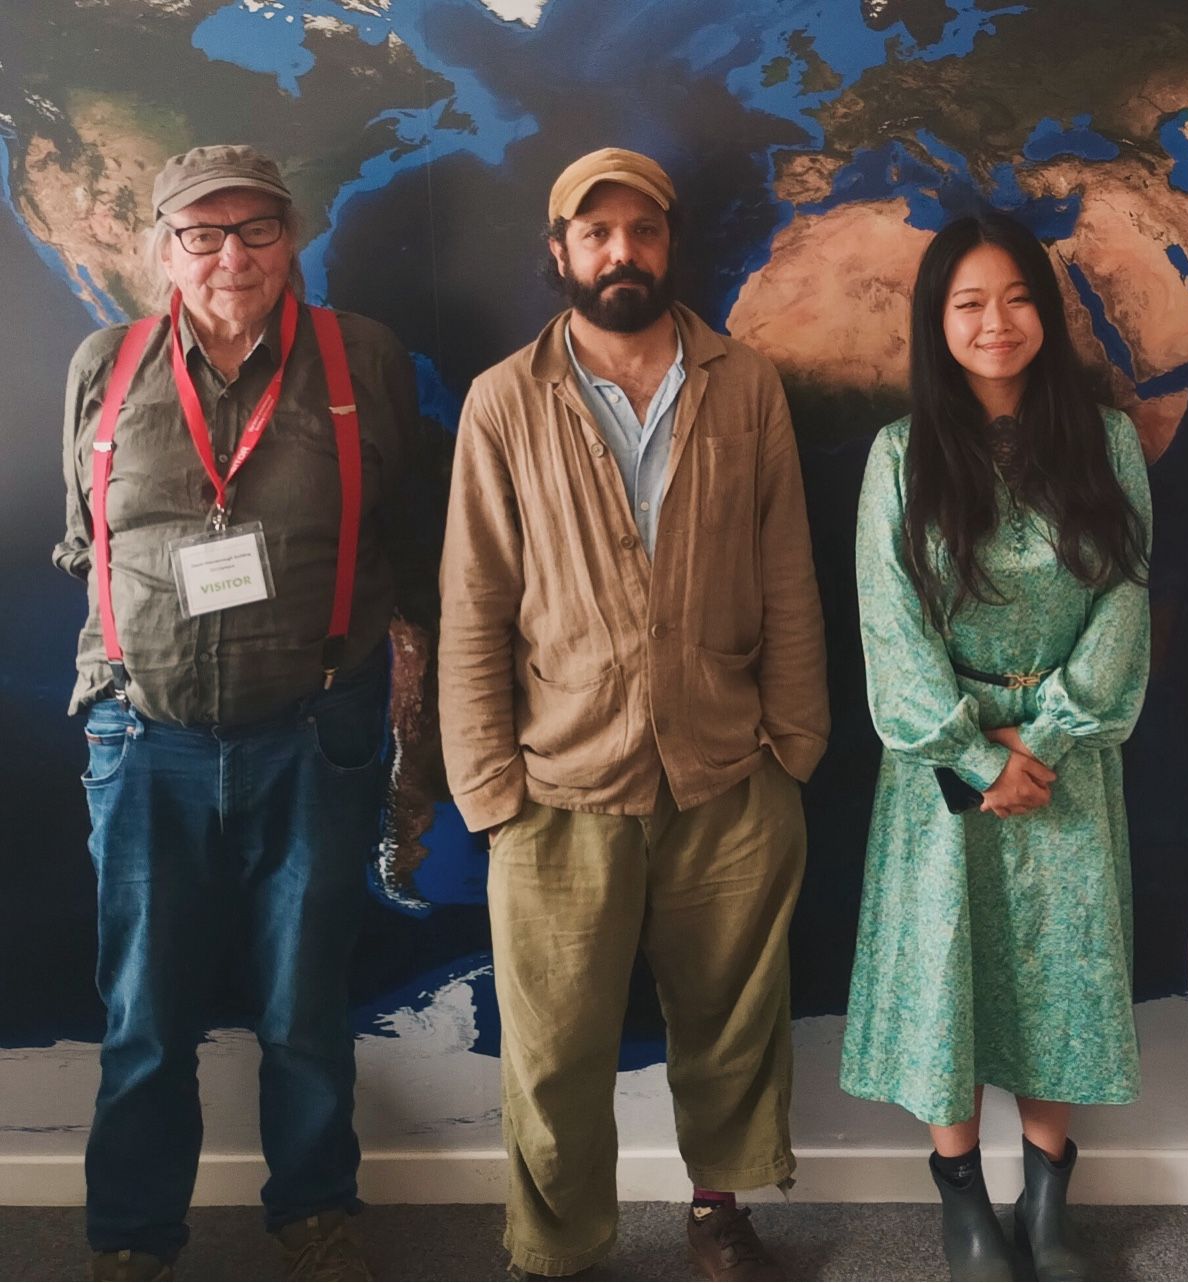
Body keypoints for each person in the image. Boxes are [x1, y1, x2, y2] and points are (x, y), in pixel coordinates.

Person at [437, 148, 829, 1282]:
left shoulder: (741, 381)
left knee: (731, 1023)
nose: (622, 252)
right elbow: (474, 600)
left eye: (641, 231)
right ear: (558, 251)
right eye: (596, 232)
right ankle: (556, 1247)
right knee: (555, 1049)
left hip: (728, 767)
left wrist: (793, 743)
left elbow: (785, 570)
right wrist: (489, 788)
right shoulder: (504, 399)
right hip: (559, 781)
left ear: (668, 243)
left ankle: (717, 1212)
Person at [54, 144, 440, 1282]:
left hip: (316, 732)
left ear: (294, 239)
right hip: (144, 739)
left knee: (305, 1005)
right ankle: (132, 1233)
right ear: (162, 249)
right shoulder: (103, 363)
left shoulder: (358, 355)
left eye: (256, 229)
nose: (232, 255)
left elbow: (407, 538)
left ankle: (313, 1214)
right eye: (202, 234)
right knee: (143, 1018)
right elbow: (83, 533)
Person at [838, 211, 1153, 1282]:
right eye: (967, 302)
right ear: (937, 321)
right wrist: (976, 756)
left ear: (1044, 312)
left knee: (1057, 975)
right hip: (944, 771)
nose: (995, 322)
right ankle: (964, 1202)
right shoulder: (898, 455)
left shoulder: (1104, 441)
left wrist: (1052, 734)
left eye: (1015, 297)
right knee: (951, 976)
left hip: (1070, 756)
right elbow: (888, 627)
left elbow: (1123, 599)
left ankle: (1050, 1204)